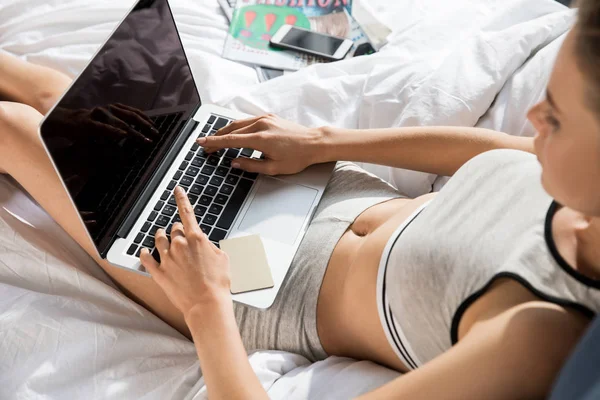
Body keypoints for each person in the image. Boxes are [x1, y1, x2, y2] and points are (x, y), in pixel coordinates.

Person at [0, 2, 598, 400]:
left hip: (259, 283)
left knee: (16, 131)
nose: (534, 118)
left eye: (560, 118)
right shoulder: (577, 195)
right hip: (314, 184)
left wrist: (205, 301)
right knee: (69, 98)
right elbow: (492, 147)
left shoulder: (538, 337)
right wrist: (322, 142)